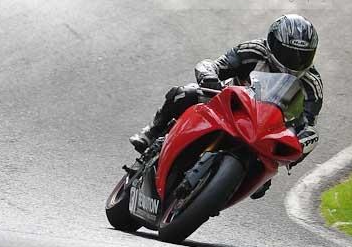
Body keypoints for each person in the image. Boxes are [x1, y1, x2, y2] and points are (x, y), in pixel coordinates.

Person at [130, 14, 322, 199]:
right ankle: (152, 132)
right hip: (225, 105)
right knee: (184, 93)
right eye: (289, 53)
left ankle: (250, 181)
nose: (295, 61)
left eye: (302, 56)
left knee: (305, 142)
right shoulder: (254, 50)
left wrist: (295, 146)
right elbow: (214, 65)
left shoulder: (312, 85)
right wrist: (210, 77)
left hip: (264, 132)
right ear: (272, 42)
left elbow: (305, 125)